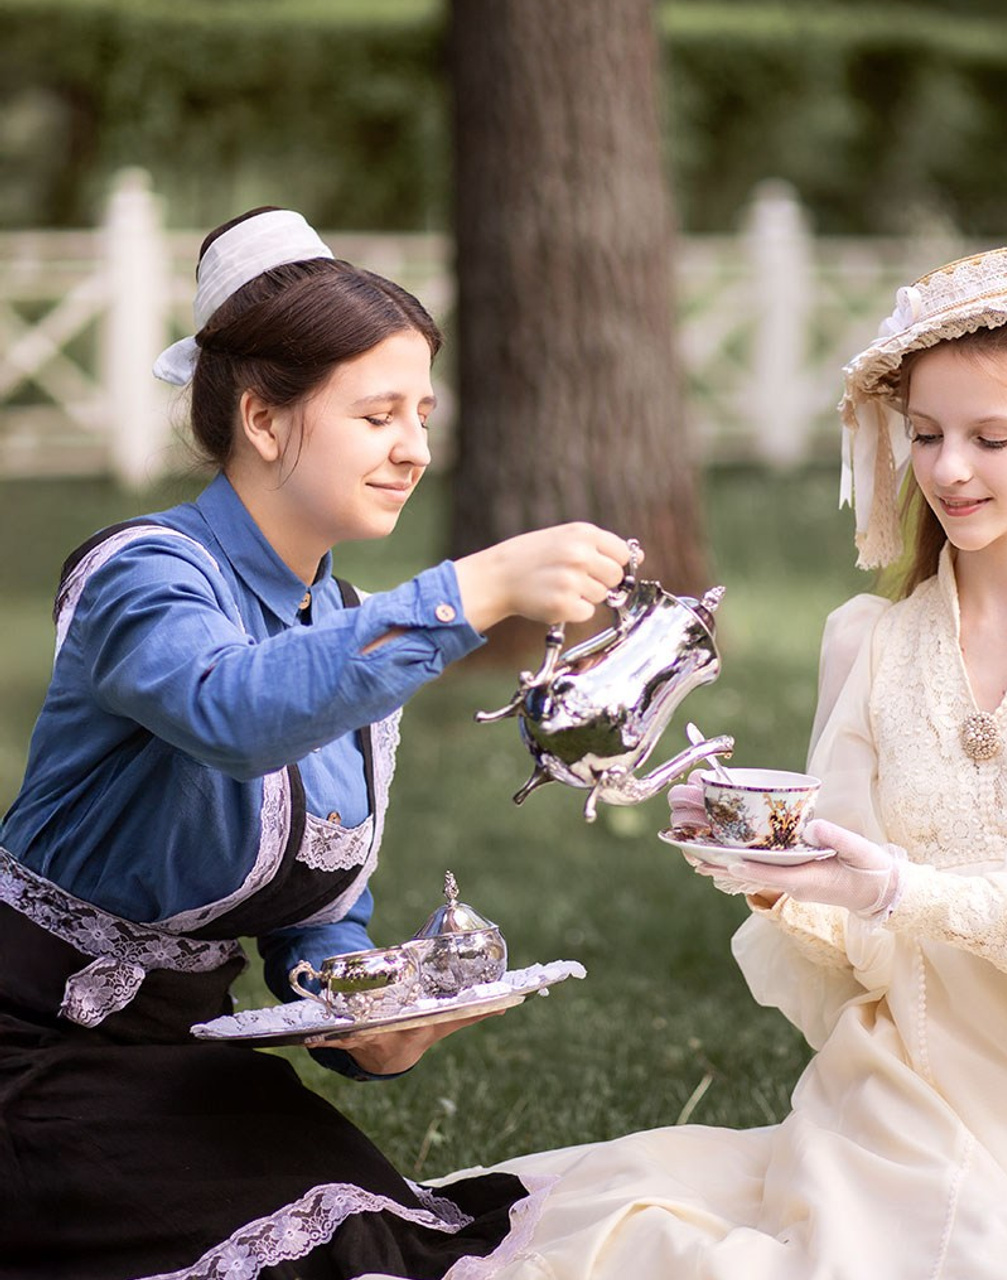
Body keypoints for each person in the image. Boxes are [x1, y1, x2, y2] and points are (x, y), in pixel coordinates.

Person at [401, 243, 1007, 1279]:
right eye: (924, 434)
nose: (947, 469)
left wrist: (897, 884)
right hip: (907, 1072)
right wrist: (780, 881)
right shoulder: (870, 641)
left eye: (989, 436)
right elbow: (859, 945)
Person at [0, 207, 636, 1279]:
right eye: (379, 413)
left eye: (422, 412)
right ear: (262, 417)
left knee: (425, 1242)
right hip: (27, 1064)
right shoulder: (142, 575)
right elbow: (233, 710)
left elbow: (319, 915)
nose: (415, 449)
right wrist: (474, 588)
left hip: (173, 1065)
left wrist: (365, 1011)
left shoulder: (349, 629)